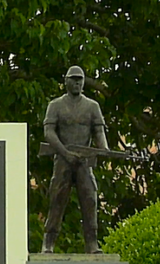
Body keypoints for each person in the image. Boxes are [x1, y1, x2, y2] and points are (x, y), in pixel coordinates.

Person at [41, 66, 109, 254]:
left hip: (84, 162)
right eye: (74, 79)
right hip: (62, 160)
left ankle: (92, 243)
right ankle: (49, 242)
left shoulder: (92, 106)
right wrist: (65, 153)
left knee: (90, 199)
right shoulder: (55, 105)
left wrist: (104, 148)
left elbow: (99, 131)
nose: (77, 83)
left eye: (80, 79)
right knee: (57, 200)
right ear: (66, 81)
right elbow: (49, 132)